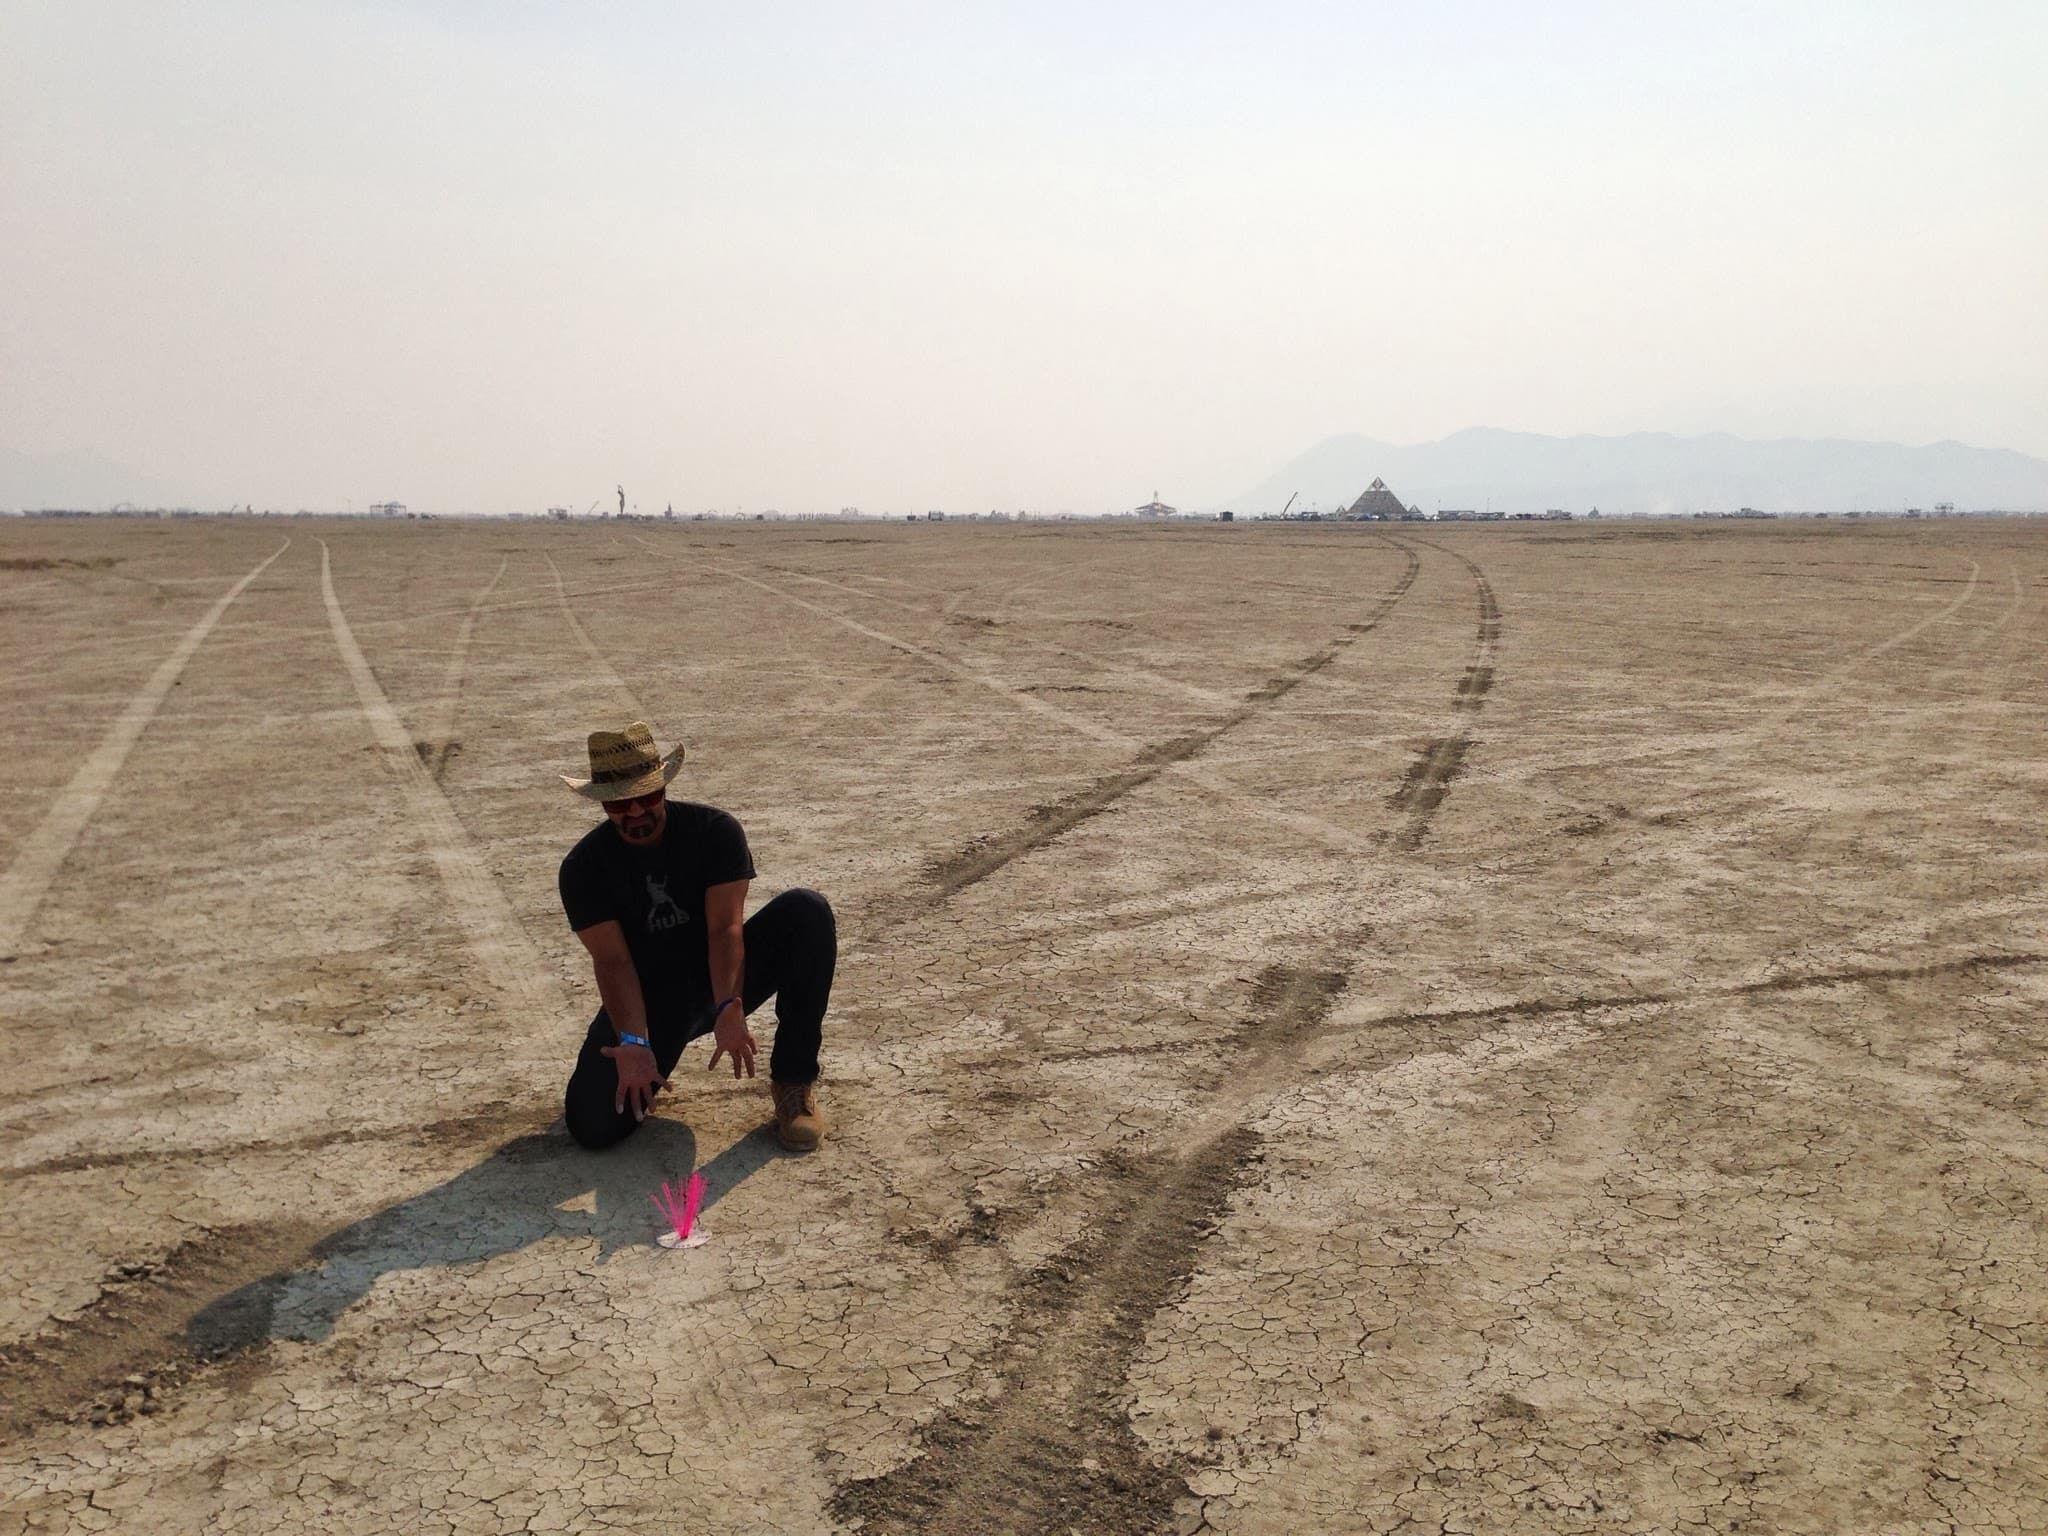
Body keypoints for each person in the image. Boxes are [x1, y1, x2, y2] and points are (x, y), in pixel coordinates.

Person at [556, 721, 833, 1152]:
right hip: (650, 1001)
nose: (635, 813)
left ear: (663, 788)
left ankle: (794, 1085)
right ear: (603, 804)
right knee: (591, 1126)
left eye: (647, 797)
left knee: (807, 913)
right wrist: (632, 1042)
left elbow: (725, 931)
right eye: (619, 804)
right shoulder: (583, 868)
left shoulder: (713, 832)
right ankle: (650, 1055)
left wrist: (728, 1006)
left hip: (718, 978)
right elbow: (612, 962)